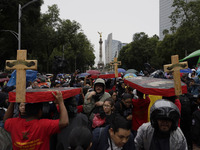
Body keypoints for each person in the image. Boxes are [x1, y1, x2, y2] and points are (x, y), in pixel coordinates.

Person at [3, 91, 69, 150]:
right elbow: (64, 122)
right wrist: (61, 102)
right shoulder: (43, 125)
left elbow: (5, 120)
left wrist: (12, 102)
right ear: (40, 112)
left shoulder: (13, 123)